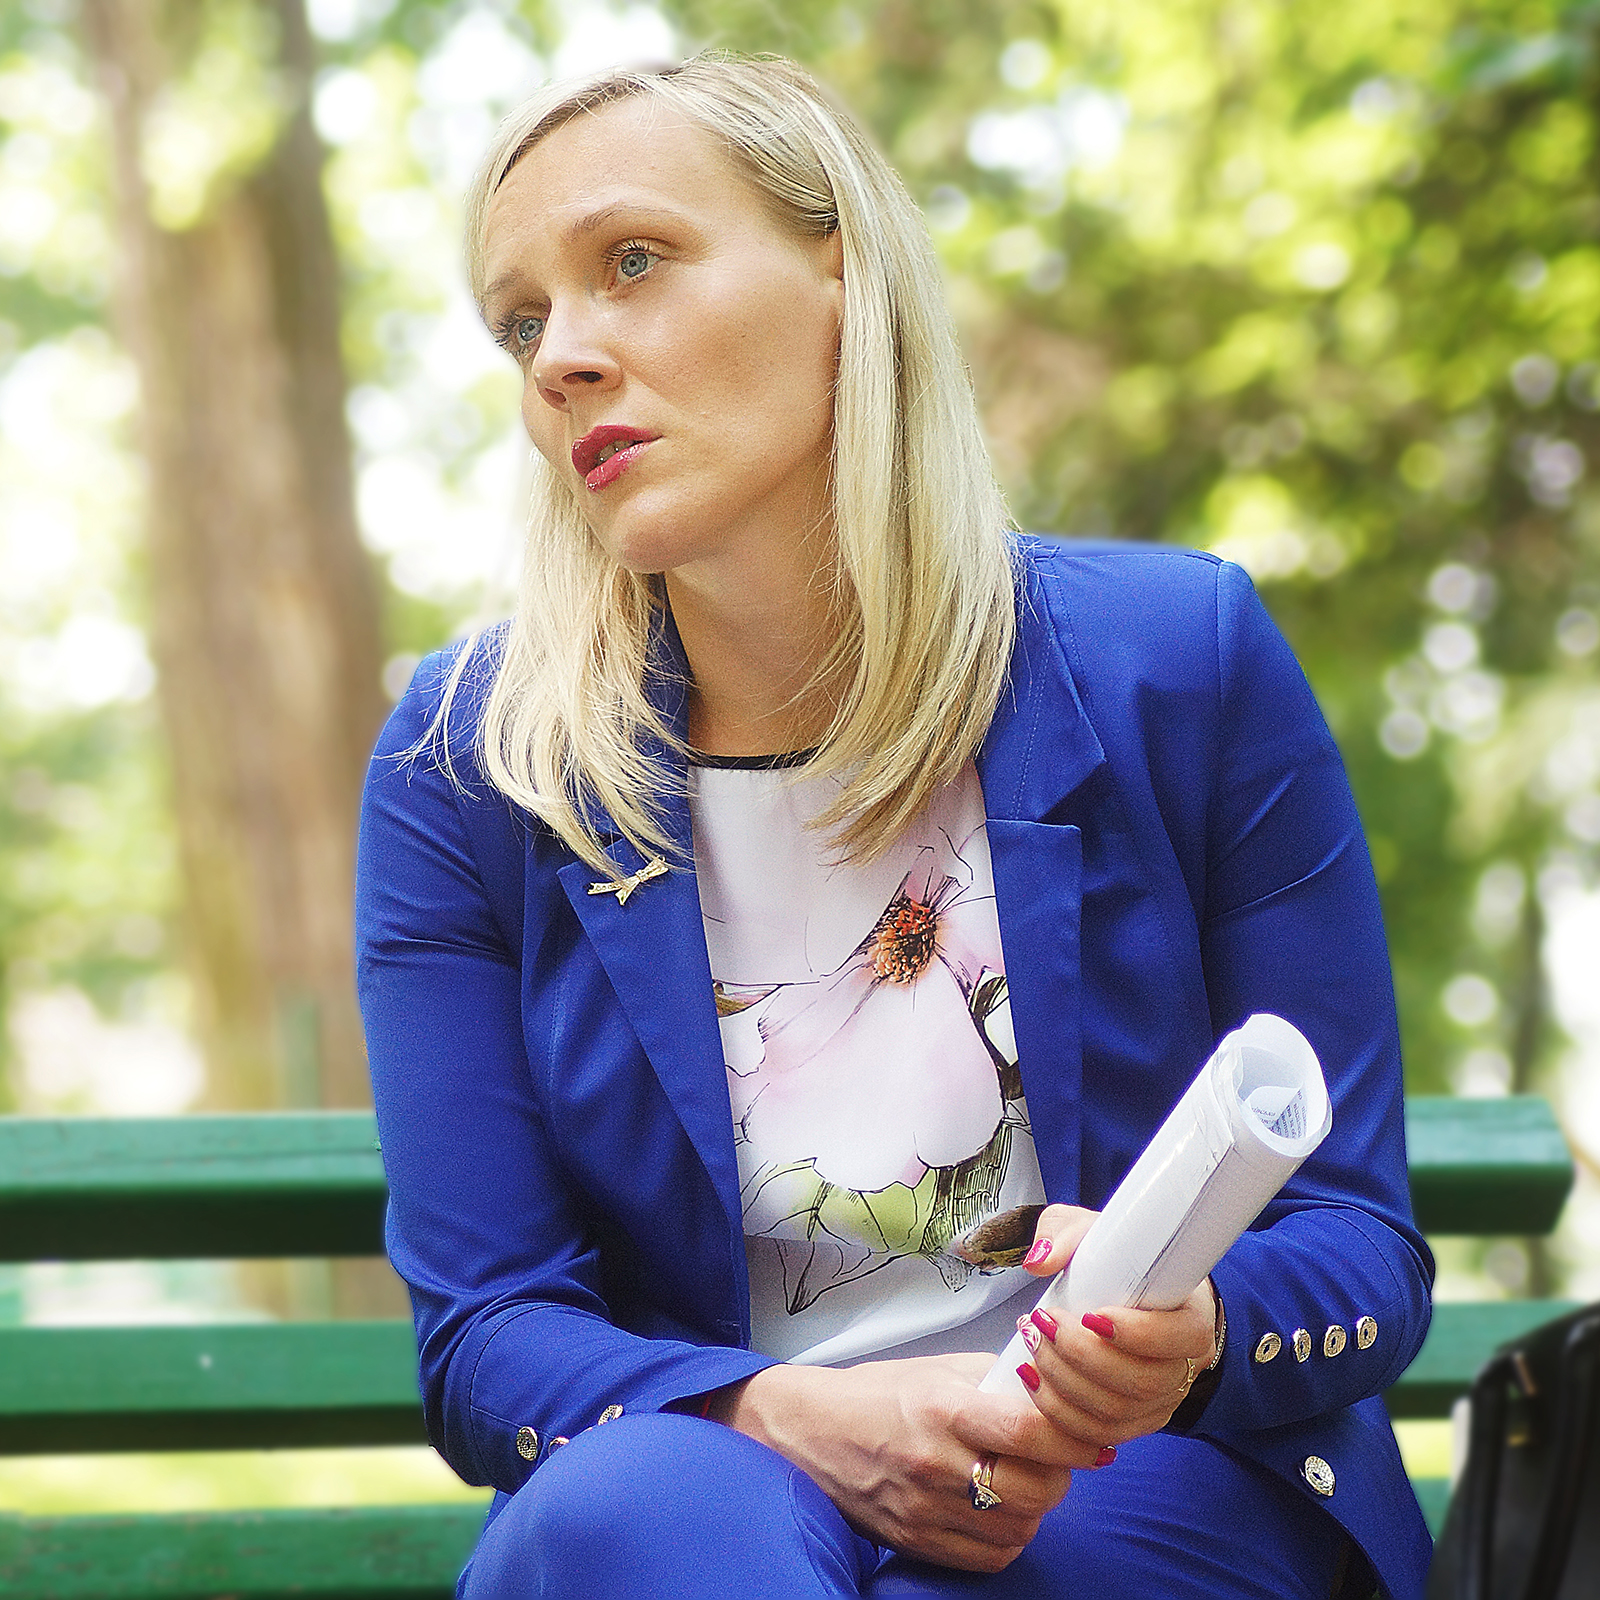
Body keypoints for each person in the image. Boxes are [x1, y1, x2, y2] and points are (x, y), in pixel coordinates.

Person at [355, 53, 1434, 1600]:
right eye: (522, 322)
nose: (561, 360)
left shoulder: (1180, 662)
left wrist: (1198, 1336)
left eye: (633, 262)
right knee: (641, 1512)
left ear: (841, 270)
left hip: (1133, 1484)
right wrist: (785, 1416)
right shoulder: (473, 763)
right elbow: (489, 1333)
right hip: (711, 1497)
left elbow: (1354, 1242)